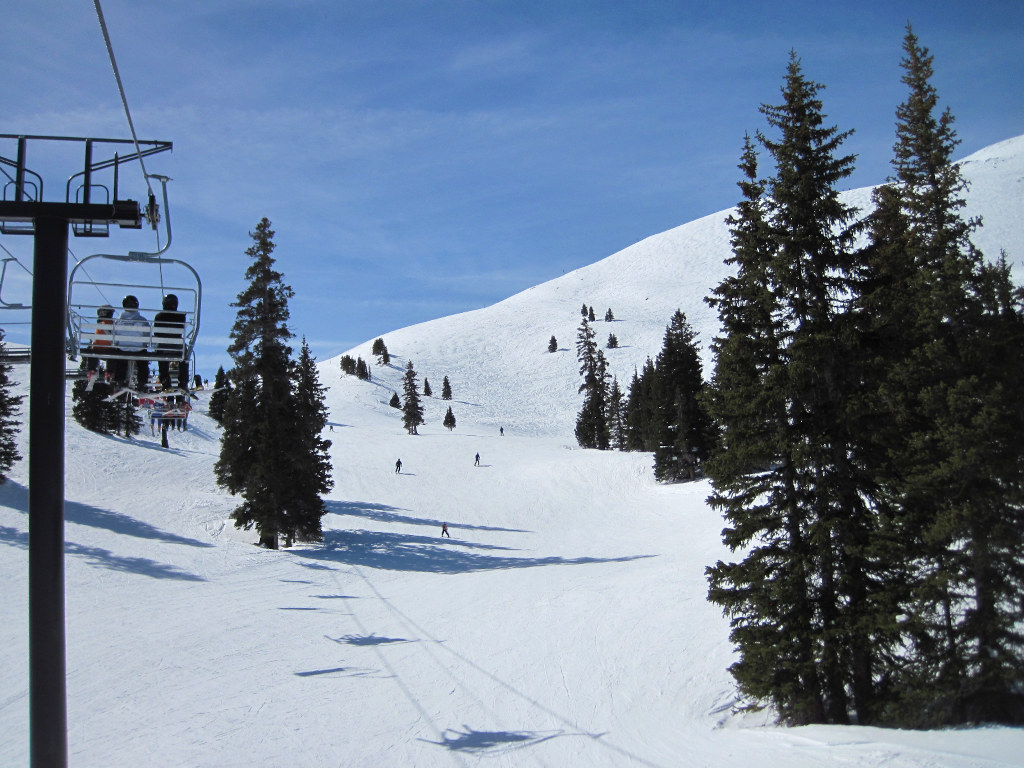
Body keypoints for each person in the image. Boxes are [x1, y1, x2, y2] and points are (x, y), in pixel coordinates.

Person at [112, 295, 151, 386]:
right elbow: (147, 335)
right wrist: (143, 344)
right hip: (138, 349)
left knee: (121, 359)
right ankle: (142, 382)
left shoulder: (118, 321)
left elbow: (114, 335)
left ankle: (120, 380)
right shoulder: (142, 320)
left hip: (122, 348)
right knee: (142, 362)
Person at [153, 293, 189, 392]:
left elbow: (156, 332)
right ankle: (183, 381)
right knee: (184, 358)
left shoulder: (159, 316)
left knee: (162, 358)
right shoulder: (181, 316)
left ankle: (165, 381)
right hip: (177, 347)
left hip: (163, 347)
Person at [86, 304, 115, 375]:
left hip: (97, 349)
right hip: (110, 350)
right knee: (114, 352)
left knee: (91, 349)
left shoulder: (100, 324)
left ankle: (92, 369)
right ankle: (110, 371)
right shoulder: (113, 324)